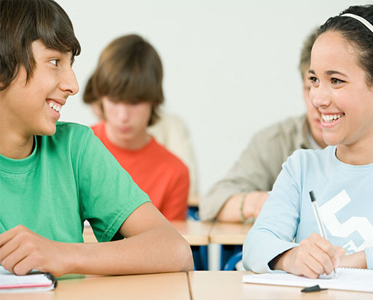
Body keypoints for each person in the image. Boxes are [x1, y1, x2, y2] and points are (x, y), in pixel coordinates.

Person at [0, 0, 193, 277]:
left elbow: (175, 250)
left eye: (70, 64)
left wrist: (62, 254)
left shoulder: (75, 148)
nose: (73, 85)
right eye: (55, 62)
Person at [243, 4, 373, 278]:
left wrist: (360, 259)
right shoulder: (300, 168)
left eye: (336, 80)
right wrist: (290, 257)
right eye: (314, 79)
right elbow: (256, 245)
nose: (317, 98)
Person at [199, 28, 326, 223]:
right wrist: (258, 202)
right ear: (302, 89)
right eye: (311, 88)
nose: (319, 102)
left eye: (334, 85)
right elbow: (212, 203)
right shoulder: (274, 141)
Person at [83, 34, 190, 221]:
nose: (123, 116)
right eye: (114, 101)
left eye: (135, 102)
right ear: (100, 96)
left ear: (153, 100)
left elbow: (171, 247)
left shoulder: (174, 173)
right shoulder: (74, 149)